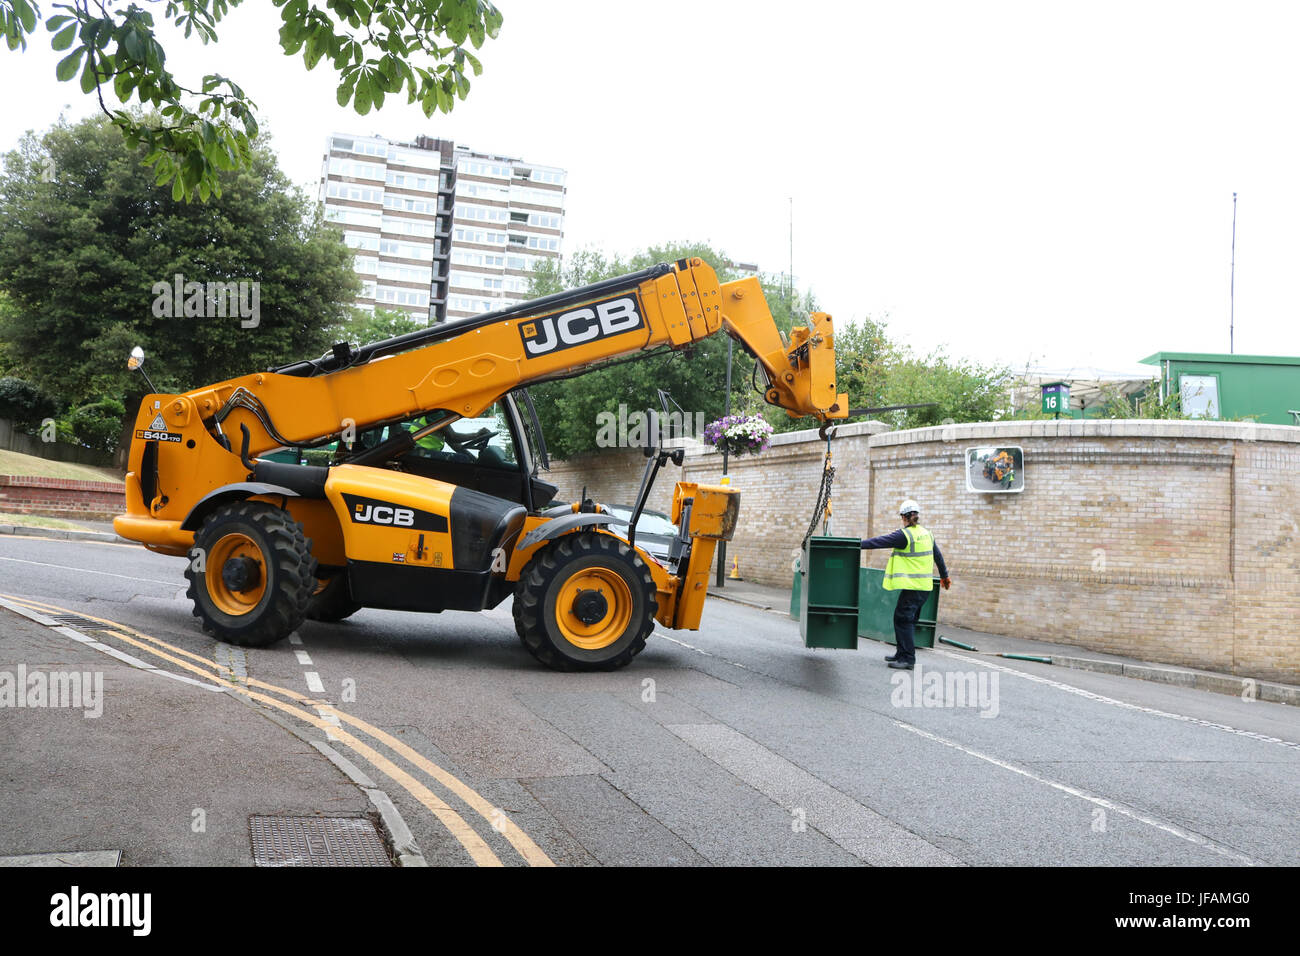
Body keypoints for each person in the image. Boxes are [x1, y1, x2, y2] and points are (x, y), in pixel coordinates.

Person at [860, 499, 951, 670]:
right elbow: (938, 557)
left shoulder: (905, 535)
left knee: (903, 620)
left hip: (913, 588)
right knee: (907, 620)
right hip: (923, 588)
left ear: (904, 517)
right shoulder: (926, 534)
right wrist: (945, 576)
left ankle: (908, 659)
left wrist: (856, 545)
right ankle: (902, 653)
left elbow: (879, 542)